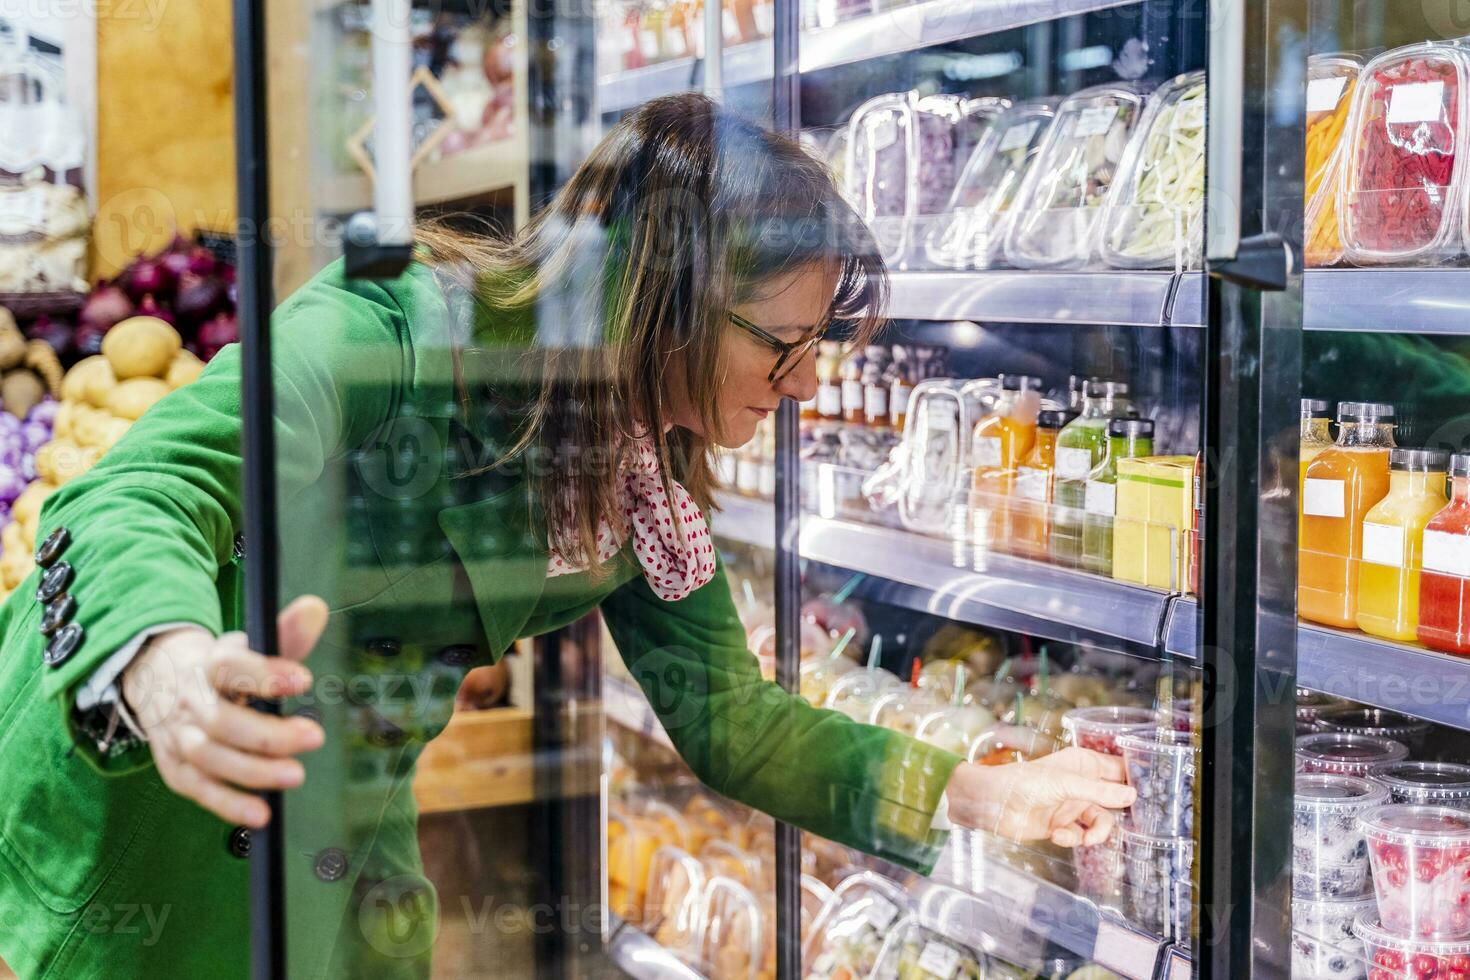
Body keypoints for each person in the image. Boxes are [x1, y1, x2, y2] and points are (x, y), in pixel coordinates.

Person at [0, 93, 1134, 978]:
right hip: (149, 777)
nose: (802, 385)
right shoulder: (392, 330)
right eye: (782, 345)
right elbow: (135, 491)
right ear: (667, 297)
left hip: (336, 813)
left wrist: (977, 791)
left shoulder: (641, 461)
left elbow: (734, 719)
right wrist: (162, 660)